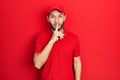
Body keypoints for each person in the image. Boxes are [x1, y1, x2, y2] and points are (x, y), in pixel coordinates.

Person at [33, 4, 82, 80]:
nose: (56, 20)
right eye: (52, 17)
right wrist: (52, 41)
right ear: (48, 19)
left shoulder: (74, 38)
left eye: (60, 16)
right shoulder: (41, 37)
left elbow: (77, 62)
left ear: (64, 18)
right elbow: (37, 64)